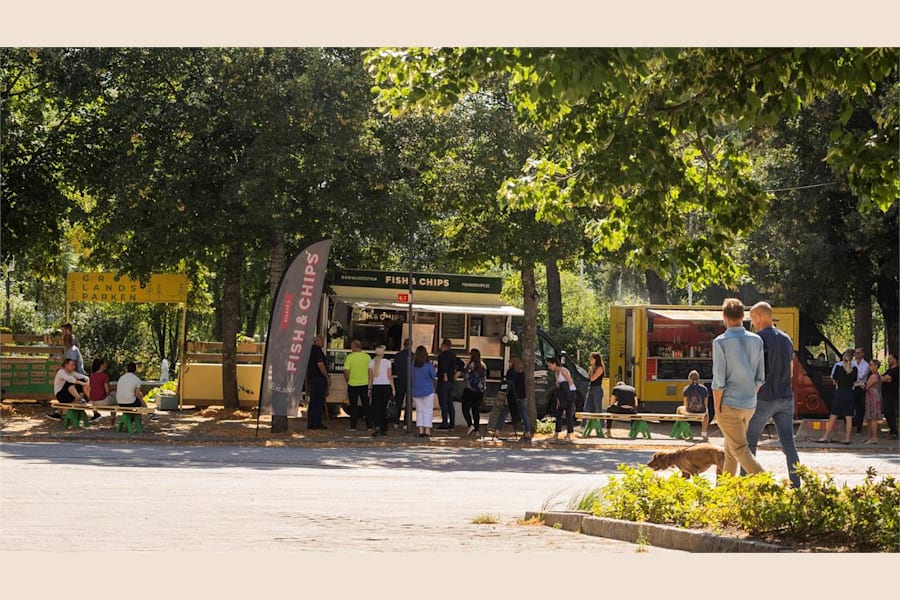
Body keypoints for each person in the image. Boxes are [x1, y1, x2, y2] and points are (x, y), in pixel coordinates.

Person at [745, 302, 801, 488]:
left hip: (763, 398)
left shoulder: (756, 339)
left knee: (749, 443)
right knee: (788, 444)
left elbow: (753, 371)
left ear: (760, 316)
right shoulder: (787, 339)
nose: (752, 322)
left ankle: (746, 485)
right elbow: (791, 372)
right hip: (785, 397)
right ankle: (796, 484)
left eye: (753, 318)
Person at [711, 298, 765, 478]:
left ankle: (768, 484)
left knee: (740, 449)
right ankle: (724, 491)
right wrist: (750, 396)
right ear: (743, 316)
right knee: (730, 450)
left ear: (724, 317)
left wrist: (717, 409)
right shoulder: (757, 340)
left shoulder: (720, 342)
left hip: (729, 404)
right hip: (749, 405)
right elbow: (760, 378)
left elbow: (719, 381)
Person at [817, 349, 856, 444]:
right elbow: (855, 380)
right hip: (850, 392)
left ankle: (825, 436)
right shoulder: (854, 369)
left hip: (840, 392)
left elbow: (834, 379)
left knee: (833, 415)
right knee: (849, 417)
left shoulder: (838, 367)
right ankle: (847, 438)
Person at [343, 340, 371, 431]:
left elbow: (346, 371)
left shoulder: (350, 357)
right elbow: (370, 371)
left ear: (353, 347)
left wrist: (348, 380)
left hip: (353, 383)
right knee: (366, 405)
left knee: (353, 406)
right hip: (365, 383)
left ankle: (353, 426)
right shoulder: (367, 357)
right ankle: (369, 426)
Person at [368, 345, 395, 437]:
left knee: (376, 407)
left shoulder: (371, 362)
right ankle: (384, 428)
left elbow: (371, 377)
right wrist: (393, 388)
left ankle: (377, 426)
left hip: (376, 386)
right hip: (386, 386)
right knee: (384, 408)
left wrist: (369, 388)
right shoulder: (387, 362)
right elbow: (389, 376)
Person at [547, 357, 576, 441]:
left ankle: (570, 433)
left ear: (554, 363)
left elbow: (570, 381)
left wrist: (569, 396)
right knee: (559, 413)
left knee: (568, 413)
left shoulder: (563, 370)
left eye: (550, 365)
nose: (549, 368)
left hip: (568, 393)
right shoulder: (556, 373)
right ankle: (557, 432)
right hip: (562, 395)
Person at [410, 345, 436, 438]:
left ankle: (420, 430)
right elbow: (433, 376)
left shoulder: (412, 365)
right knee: (428, 410)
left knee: (419, 411)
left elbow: (411, 377)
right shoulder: (428, 365)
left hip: (416, 390)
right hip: (427, 390)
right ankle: (427, 431)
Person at [435, 339, 461, 430]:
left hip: (443, 381)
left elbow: (443, 366)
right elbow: (461, 364)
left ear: (444, 345)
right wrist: (457, 373)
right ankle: (452, 423)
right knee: (450, 402)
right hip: (451, 381)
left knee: (443, 402)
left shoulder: (442, 356)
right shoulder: (453, 355)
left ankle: (445, 422)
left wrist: (445, 374)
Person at [677, 370, 709, 440]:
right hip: (701, 411)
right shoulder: (704, 388)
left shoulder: (686, 389)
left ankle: (681, 432)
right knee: (706, 412)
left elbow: (685, 404)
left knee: (679, 409)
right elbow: (706, 403)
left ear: (689, 379)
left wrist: (688, 409)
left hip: (690, 411)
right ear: (698, 379)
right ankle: (704, 433)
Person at [305, 335, 329, 430]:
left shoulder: (310, 351)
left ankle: (311, 422)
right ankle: (317, 423)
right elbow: (320, 365)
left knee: (313, 402)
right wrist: (327, 377)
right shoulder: (317, 351)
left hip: (312, 378)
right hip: (318, 379)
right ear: (318, 341)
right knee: (318, 402)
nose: (323, 343)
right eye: (322, 341)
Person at [461, 348, 486, 435]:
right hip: (480, 391)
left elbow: (466, 377)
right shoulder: (483, 365)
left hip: (469, 390)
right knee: (476, 410)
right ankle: (477, 429)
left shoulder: (470, 365)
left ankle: (470, 424)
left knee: (465, 408)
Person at [505, 356, 531, 442]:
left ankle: (497, 430)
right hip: (522, 395)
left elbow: (508, 383)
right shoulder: (522, 373)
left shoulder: (510, 372)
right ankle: (528, 431)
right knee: (524, 414)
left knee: (504, 412)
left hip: (513, 396)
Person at [392, 338, 411, 427]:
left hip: (400, 380)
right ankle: (406, 423)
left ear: (404, 345)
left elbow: (395, 368)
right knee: (408, 403)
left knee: (398, 401)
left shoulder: (398, 356)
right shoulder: (413, 356)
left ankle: (396, 421)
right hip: (410, 381)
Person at [863, 359, 882, 445]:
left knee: (873, 418)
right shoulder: (877, 375)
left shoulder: (873, 376)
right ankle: (870, 437)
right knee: (870, 418)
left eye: (871, 365)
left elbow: (867, 387)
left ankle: (874, 437)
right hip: (873, 396)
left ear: (875, 366)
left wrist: (863, 385)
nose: (869, 366)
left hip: (872, 397)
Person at [851, 347, 870, 434]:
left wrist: (853, 376)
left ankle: (859, 427)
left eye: (858, 353)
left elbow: (861, 376)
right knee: (851, 406)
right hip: (852, 387)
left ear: (862, 354)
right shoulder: (852, 363)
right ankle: (851, 424)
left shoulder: (866, 365)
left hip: (860, 388)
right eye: (855, 353)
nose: (856, 354)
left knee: (860, 408)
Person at [880, 353, 898, 439]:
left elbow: (885, 378)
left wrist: (879, 377)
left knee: (888, 412)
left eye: (890, 359)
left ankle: (894, 432)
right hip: (886, 394)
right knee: (888, 413)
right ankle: (892, 431)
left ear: (895, 360)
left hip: (890, 394)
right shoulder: (889, 370)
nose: (888, 360)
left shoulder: (896, 370)